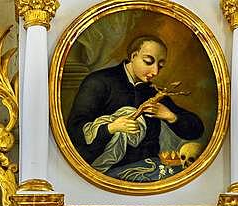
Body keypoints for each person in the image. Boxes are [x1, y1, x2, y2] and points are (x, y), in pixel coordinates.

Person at [66, 36, 204, 181]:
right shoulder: (99, 82)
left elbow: (196, 130)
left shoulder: (153, 92)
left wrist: (171, 116)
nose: (155, 71)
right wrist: (111, 127)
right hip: (107, 172)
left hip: (148, 169)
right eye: (148, 62)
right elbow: (74, 130)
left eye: (161, 65)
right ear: (133, 56)